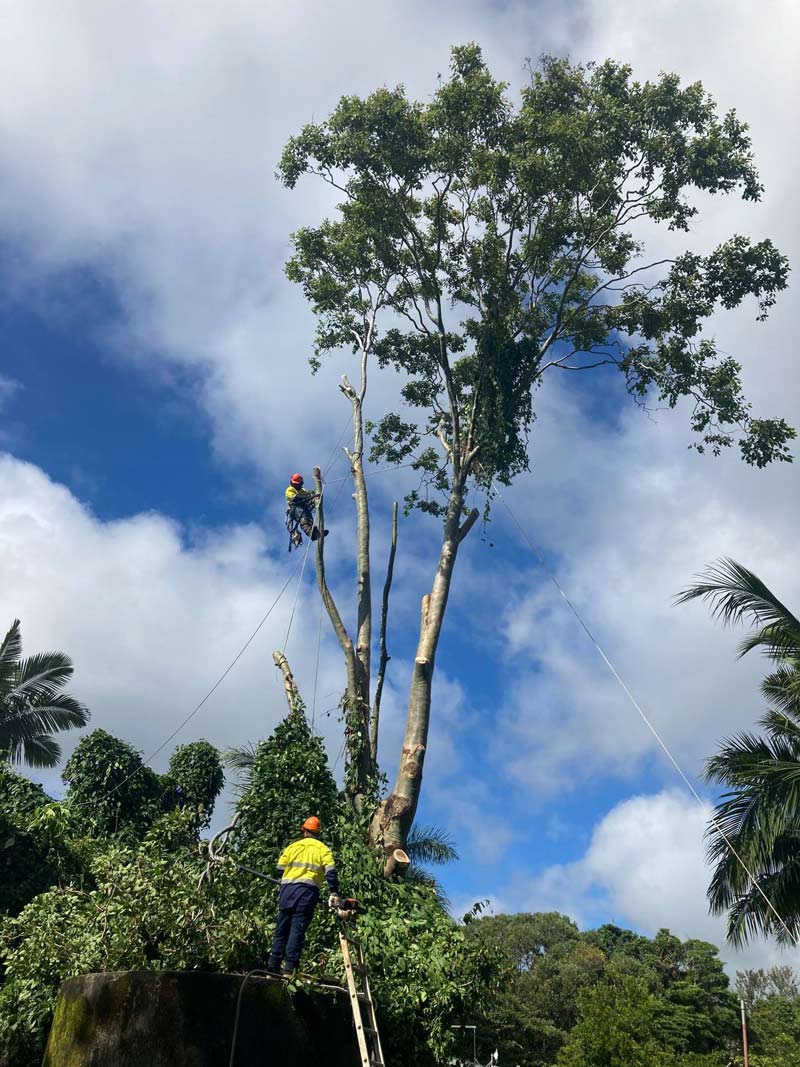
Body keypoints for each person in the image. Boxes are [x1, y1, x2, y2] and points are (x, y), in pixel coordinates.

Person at [266, 815, 341, 976]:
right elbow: (331, 873)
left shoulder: (292, 847)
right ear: (318, 833)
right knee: (296, 931)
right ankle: (289, 970)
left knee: (281, 930)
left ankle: (272, 968)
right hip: (306, 894)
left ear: (304, 831)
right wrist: (333, 892)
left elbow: (279, 869)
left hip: (286, 892)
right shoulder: (323, 849)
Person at [285, 473, 326, 548]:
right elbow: (296, 498)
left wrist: (313, 495)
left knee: (310, 520)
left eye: (297, 484)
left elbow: (308, 495)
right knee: (304, 520)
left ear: (301, 484)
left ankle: (316, 533)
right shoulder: (289, 490)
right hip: (295, 508)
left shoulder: (302, 490)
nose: (295, 485)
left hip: (304, 507)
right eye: (294, 484)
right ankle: (311, 534)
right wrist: (307, 498)